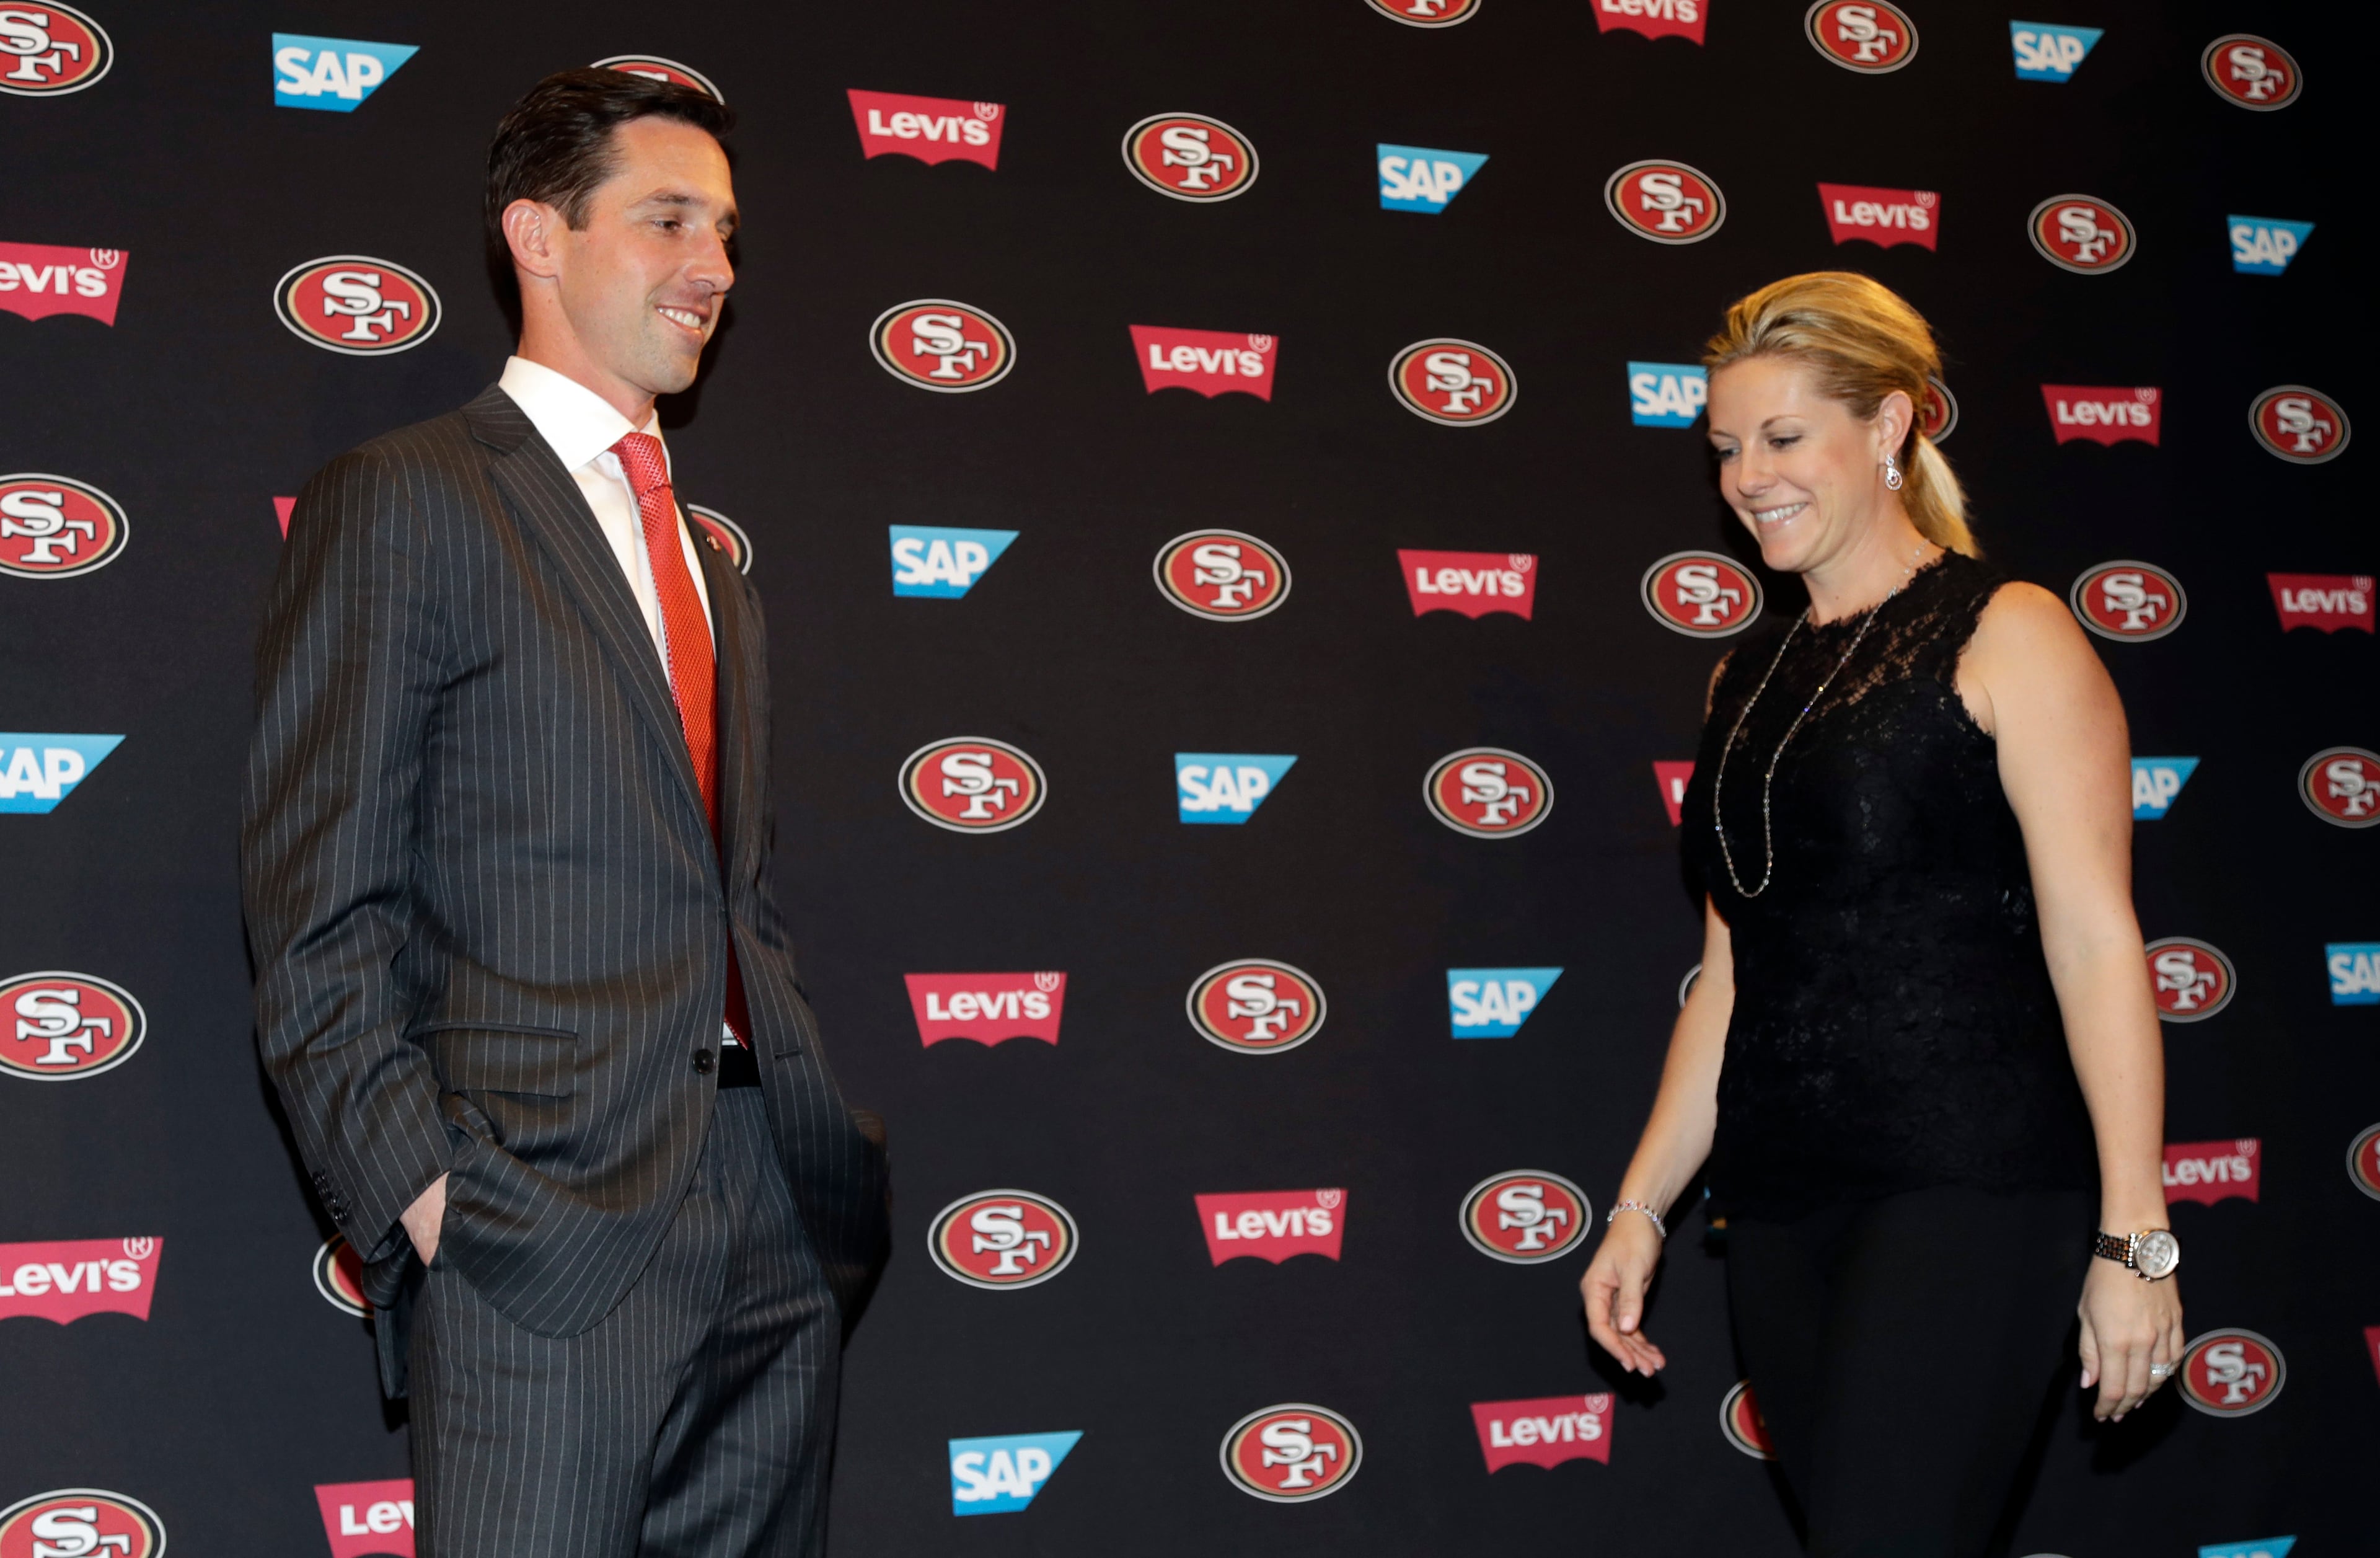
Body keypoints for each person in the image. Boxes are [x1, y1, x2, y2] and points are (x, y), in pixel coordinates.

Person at [242, 69, 888, 1557]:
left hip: (770, 1206)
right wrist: (430, 1206)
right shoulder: (405, 497)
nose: (712, 266)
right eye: (667, 218)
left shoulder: (712, 568)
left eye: (724, 229)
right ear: (538, 236)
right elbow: (315, 905)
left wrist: (808, 1148)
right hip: (541, 1223)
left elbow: (731, 890)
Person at [1578, 272, 2183, 1554]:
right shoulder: (1741, 678)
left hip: (1970, 1184)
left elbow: (2094, 941)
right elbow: (1735, 979)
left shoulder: (2009, 632)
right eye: (1728, 449)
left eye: (1785, 439)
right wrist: (1639, 1208)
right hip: (1786, 1206)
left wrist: (2137, 1240)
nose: (1750, 478)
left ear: (1894, 427)